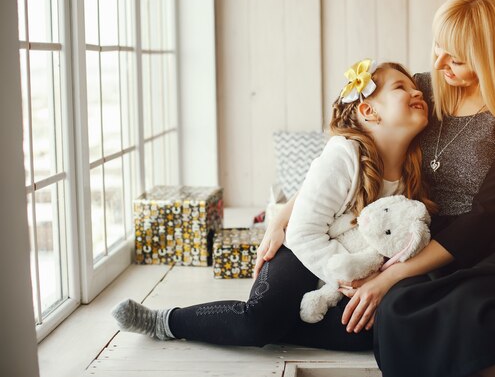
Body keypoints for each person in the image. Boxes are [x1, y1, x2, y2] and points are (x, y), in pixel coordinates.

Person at [256, 0, 495, 377]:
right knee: (402, 312)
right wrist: (287, 211)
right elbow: (354, 149)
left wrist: (389, 276)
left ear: (493, 59)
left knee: (468, 309)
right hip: (419, 233)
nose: (438, 62)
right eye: (436, 46)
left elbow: (484, 220)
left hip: (493, 242)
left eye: (455, 58)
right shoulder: (422, 90)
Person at [111, 60, 435, 351]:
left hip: (344, 267)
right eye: (400, 87)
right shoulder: (345, 155)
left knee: (367, 330)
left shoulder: (414, 171)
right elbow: (302, 232)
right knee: (258, 322)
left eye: (415, 87)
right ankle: (166, 322)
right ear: (369, 111)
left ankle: (279, 323)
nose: (415, 91)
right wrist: (348, 278)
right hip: (298, 246)